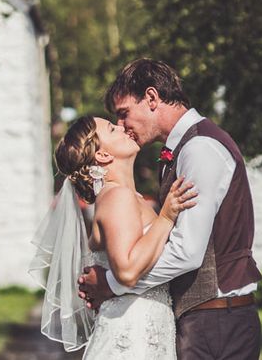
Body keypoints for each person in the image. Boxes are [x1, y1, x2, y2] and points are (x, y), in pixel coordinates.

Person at [78, 58, 262, 360]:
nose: (123, 127)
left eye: (124, 114)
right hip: (204, 321)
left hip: (215, 323)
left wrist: (113, 284)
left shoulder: (199, 148)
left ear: (151, 98)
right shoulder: (180, 151)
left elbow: (186, 252)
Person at [30, 113, 197, 358]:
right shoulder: (116, 197)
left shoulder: (128, 197)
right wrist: (166, 218)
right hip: (131, 337)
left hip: (147, 332)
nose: (121, 127)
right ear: (103, 155)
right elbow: (127, 271)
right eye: (111, 128)